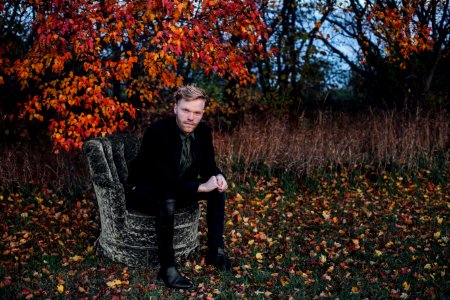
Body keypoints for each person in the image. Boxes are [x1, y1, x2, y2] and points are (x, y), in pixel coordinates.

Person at [126, 85, 232, 290]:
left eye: (197, 112)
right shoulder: (157, 132)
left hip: (177, 188)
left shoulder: (203, 131)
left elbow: (210, 166)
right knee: (167, 196)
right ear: (175, 108)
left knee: (217, 189)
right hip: (144, 190)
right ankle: (168, 268)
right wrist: (200, 187)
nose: (191, 117)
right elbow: (161, 178)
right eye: (186, 110)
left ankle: (216, 252)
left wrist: (219, 177)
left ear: (202, 112)